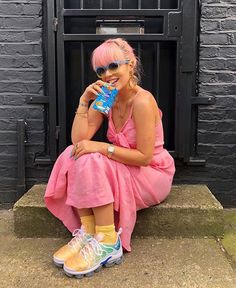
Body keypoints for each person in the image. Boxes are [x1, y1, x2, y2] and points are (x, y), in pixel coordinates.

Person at [44, 38, 175, 278]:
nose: (107, 74)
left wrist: (102, 148)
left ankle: (107, 241)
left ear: (131, 64)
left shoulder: (143, 101)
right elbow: (79, 139)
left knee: (93, 155)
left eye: (113, 66)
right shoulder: (108, 97)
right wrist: (85, 102)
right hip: (124, 164)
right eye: (101, 70)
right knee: (72, 153)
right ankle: (89, 231)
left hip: (151, 173)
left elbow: (145, 157)